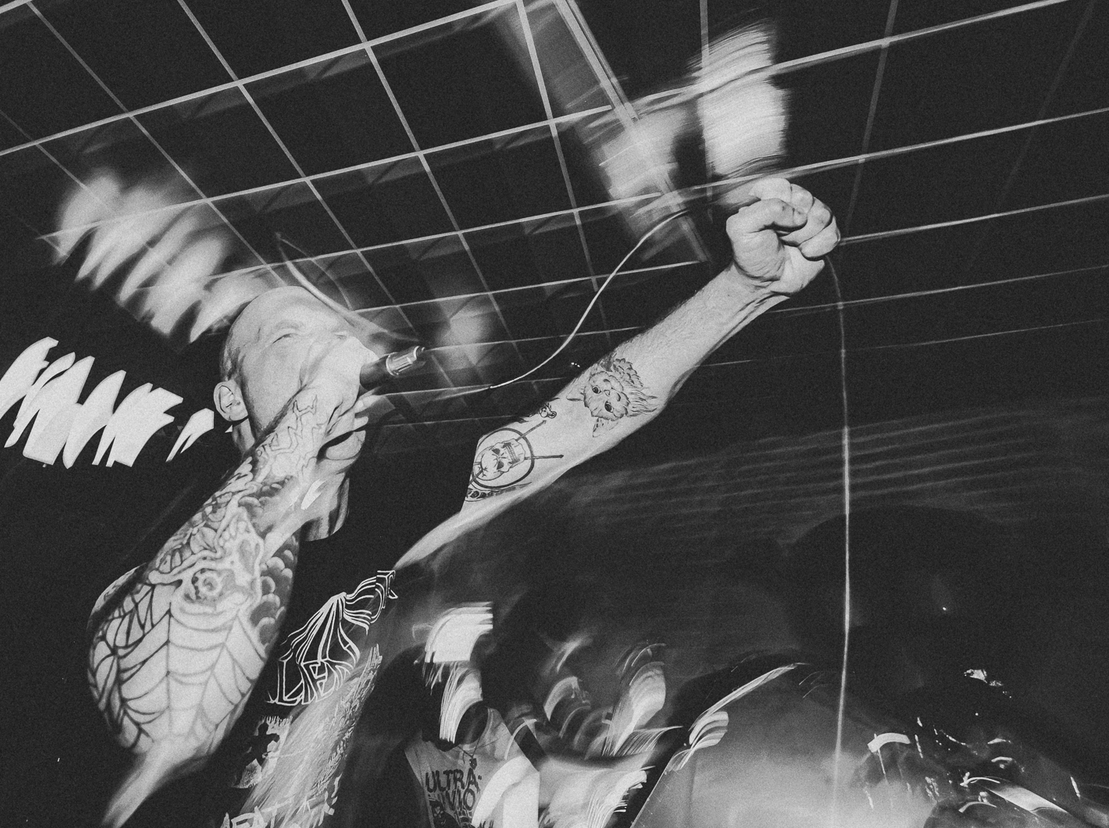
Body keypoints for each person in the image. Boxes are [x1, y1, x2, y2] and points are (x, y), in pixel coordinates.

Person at [87, 177, 839, 826]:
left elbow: (590, 413)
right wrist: (316, 398)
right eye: (290, 339)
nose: (334, 355)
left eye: (338, 338)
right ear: (230, 398)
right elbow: (174, 722)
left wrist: (747, 288)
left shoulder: (386, 507)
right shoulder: (172, 514)